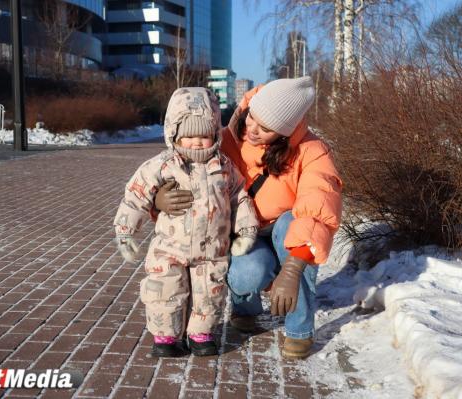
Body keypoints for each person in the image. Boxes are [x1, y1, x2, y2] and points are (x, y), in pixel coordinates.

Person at [154, 77, 343, 359]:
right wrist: (159, 200)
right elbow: (187, 173)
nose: (252, 130)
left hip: (287, 232)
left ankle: (299, 329)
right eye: (251, 117)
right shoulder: (228, 139)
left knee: (292, 226)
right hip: (246, 232)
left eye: (265, 129)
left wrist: (291, 270)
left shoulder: (313, 152)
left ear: (285, 133)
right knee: (245, 275)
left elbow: (317, 211)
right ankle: (246, 309)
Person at [113, 87, 258, 357]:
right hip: (170, 248)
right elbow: (136, 195)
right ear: (174, 134)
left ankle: (200, 333)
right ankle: (166, 336)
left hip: (212, 250)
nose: (196, 142)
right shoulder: (163, 165)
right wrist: (126, 232)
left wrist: (247, 231)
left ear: (215, 134)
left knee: (209, 292)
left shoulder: (224, 166)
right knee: (165, 291)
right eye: (188, 135)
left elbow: (240, 197)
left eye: (203, 135)